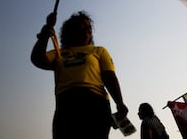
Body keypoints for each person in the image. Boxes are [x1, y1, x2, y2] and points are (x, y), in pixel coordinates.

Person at [31, 11, 128, 139]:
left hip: (96, 104)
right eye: (83, 26)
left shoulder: (98, 51)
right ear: (71, 30)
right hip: (66, 105)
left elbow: (109, 77)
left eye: (89, 27)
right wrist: (45, 32)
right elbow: (37, 59)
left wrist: (119, 103)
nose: (88, 30)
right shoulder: (58, 53)